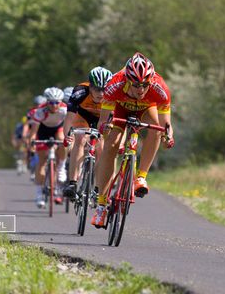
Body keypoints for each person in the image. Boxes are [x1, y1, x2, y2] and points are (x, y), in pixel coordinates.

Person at [91, 52, 175, 228]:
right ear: (128, 80)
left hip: (146, 109)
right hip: (120, 109)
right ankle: (101, 205)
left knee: (157, 129)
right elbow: (103, 121)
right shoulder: (114, 85)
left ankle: (141, 177)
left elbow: (166, 123)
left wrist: (169, 136)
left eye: (145, 85)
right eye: (136, 85)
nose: (141, 89)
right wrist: (104, 128)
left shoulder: (160, 88)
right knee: (110, 147)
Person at [62, 66, 113, 200]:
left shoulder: (114, 94)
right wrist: (67, 136)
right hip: (83, 116)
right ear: (90, 86)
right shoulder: (80, 92)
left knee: (101, 148)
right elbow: (69, 118)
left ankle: (98, 187)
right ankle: (72, 183)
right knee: (80, 139)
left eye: (104, 89)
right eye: (97, 89)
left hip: (103, 119)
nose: (101, 93)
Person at [27, 87, 68, 208]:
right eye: (51, 102)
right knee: (42, 161)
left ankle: (61, 167)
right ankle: (39, 194)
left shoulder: (65, 110)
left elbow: (68, 127)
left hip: (58, 129)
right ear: (47, 102)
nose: (54, 105)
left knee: (62, 139)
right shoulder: (39, 111)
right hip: (43, 131)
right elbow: (33, 132)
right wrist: (32, 143)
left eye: (57, 102)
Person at [23, 95, 47, 180]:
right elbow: (26, 125)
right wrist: (24, 135)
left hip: (44, 131)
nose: (38, 106)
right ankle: (29, 162)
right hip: (33, 131)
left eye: (41, 104)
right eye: (37, 104)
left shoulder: (48, 111)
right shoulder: (31, 112)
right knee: (30, 147)